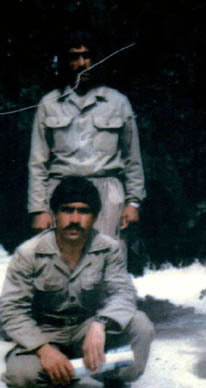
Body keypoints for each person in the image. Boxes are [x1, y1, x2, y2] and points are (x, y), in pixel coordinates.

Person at [0, 177, 154, 388]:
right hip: (46, 332)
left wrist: (100, 324)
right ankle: (54, 383)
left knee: (140, 325)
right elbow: (12, 310)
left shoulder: (108, 249)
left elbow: (123, 293)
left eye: (83, 211)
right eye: (67, 210)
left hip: (87, 329)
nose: (74, 219)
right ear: (54, 214)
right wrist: (44, 349)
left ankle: (115, 382)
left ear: (95, 217)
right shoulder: (28, 253)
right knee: (22, 377)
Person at [28, 31, 144, 249]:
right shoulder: (49, 104)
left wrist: (133, 203)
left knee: (109, 261)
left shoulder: (118, 102)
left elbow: (132, 158)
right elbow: (37, 162)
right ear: (65, 61)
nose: (82, 63)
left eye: (87, 56)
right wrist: (39, 209)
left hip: (108, 195)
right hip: (62, 194)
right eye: (74, 57)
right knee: (62, 264)